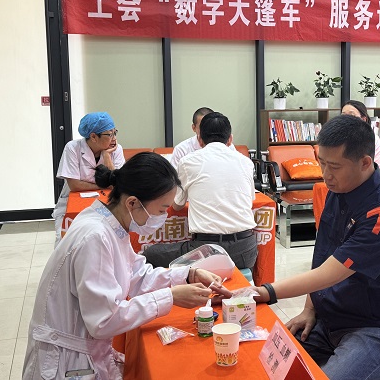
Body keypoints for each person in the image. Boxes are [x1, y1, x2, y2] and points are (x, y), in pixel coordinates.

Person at [250, 115, 380, 380]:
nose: (325, 174)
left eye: (334, 166)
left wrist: (266, 292)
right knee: (262, 366)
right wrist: (310, 309)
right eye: (321, 163)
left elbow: (330, 273)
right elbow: (323, 254)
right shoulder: (339, 189)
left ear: (365, 163)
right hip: (334, 318)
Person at [23, 152, 221, 379]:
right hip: (67, 360)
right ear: (133, 202)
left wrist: (188, 275)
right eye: (161, 210)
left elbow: (137, 275)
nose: (164, 217)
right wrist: (170, 297)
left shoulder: (111, 224)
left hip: (84, 350)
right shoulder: (96, 236)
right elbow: (103, 321)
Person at [143, 112, 258, 270]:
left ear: (200, 139)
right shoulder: (246, 162)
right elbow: (250, 199)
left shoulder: (188, 162)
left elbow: (176, 205)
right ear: (230, 139)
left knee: (151, 254)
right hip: (246, 251)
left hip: (206, 250)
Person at [52, 112, 125, 244]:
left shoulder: (116, 149)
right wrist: (105, 185)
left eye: (115, 133)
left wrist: (107, 156)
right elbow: (74, 185)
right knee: (65, 242)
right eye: (110, 134)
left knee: (108, 241)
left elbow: (118, 183)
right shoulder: (73, 148)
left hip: (106, 205)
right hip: (72, 206)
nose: (114, 138)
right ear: (93, 137)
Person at [170, 107, 236, 168]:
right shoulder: (181, 150)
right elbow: (174, 175)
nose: (206, 130)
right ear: (194, 128)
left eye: (210, 126)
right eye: (202, 127)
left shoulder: (227, 146)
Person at [342, 100, 380, 170]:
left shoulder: (373, 138)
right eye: (343, 115)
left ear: (363, 119)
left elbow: (378, 167)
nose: (346, 119)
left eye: (351, 115)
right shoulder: (336, 138)